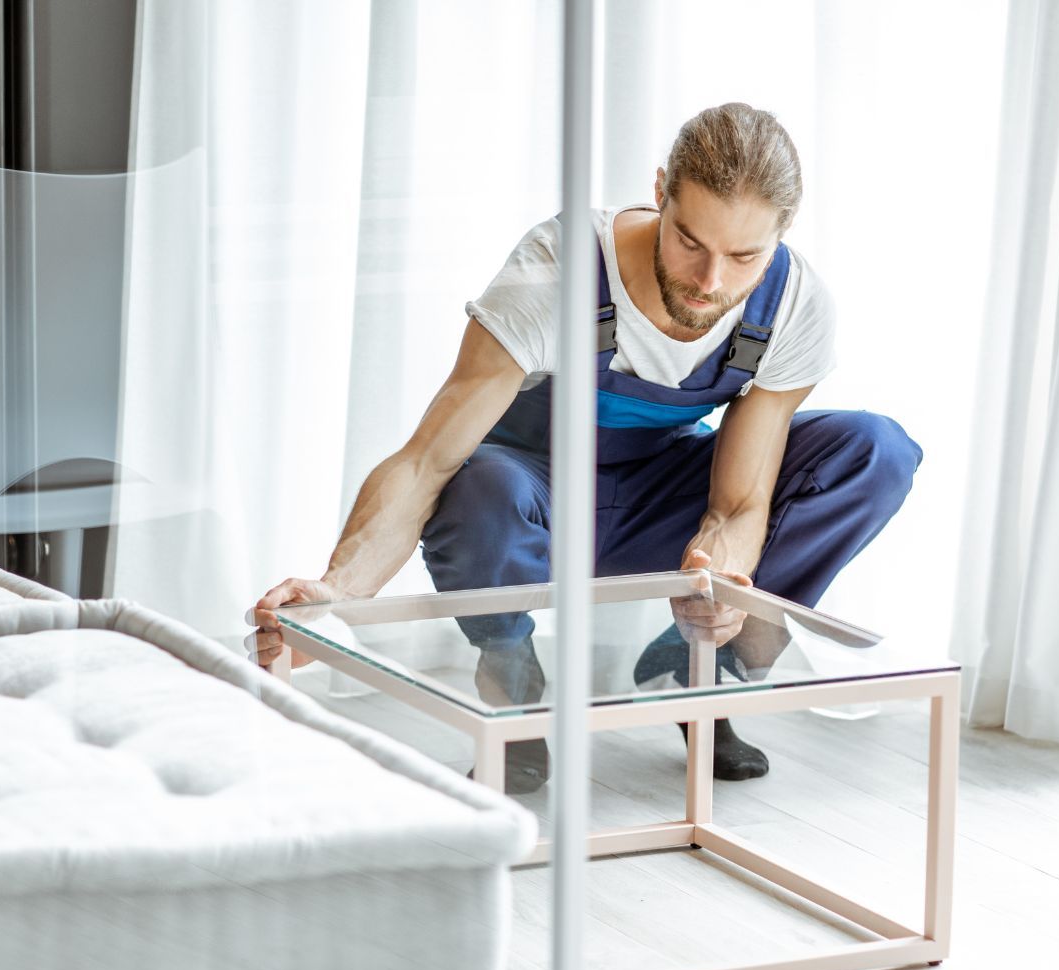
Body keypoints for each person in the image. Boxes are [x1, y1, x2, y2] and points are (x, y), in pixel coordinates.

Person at [250, 102, 922, 794]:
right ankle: (513, 682)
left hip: (660, 499)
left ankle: (695, 671)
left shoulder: (794, 305)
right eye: (690, 241)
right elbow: (427, 461)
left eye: (744, 256)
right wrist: (337, 593)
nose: (710, 282)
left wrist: (716, 590)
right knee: (479, 486)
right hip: (532, 505)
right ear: (660, 192)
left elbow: (739, 501)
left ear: (782, 236)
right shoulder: (557, 271)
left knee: (876, 451)